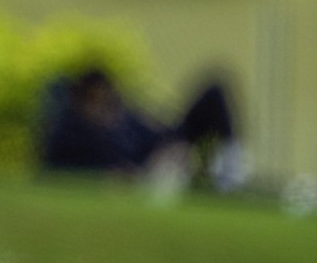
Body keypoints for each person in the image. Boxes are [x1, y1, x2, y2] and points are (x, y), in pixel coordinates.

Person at [37, 66, 243, 187]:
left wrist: (170, 149)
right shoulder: (72, 135)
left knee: (213, 95)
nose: (103, 108)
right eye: (95, 101)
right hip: (144, 171)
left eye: (107, 99)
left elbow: (153, 132)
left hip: (161, 148)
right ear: (82, 102)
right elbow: (65, 169)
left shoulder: (125, 117)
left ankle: (232, 168)